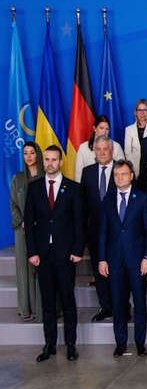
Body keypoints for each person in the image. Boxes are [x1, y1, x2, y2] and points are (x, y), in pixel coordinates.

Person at [25, 146, 84, 362]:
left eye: (54, 159)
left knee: (68, 300)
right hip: (42, 254)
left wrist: (78, 250)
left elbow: (79, 222)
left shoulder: (73, 189)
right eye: (47, 159)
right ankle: (49, 344)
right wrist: (32, 252)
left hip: (66, 253)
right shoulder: (34, 188)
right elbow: (29, 225)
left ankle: (70, 345)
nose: (50, 163)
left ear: (61, 162)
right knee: (47, 302)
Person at [98, 160, 147, 357]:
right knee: (118, 303)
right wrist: (102, 259)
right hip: (114, 261)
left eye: (123, 174)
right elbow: (103, 231)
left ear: (131, 175)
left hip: (137, 260)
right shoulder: (108, 199)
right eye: (116, 175)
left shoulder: (142, 198)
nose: (119, 178)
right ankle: (120, 342)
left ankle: (140, 343)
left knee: (139, 302)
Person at [80, 136, 116, 322]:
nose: (102, 152)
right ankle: (106, 306)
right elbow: (83, 205)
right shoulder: (87, 173)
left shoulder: (121, 169)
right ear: (94, 151)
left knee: (118, 270)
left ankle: (121, 306)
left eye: (105, 149)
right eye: (98, 149)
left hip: (117, 233)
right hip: (95, 232)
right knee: (99, 270)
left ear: (112, 150)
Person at [10, 141, 42, 322]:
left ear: (37, 155)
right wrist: (22, 222)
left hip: (41, 230)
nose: (29, 156)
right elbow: (13, 205)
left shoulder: (45, 178)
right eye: (25, 153)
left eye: (32, 152)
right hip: (22, 231)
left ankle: (41, 307)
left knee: (40, 269)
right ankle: (25, 309)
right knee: (23, 269)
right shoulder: (18, 179)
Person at [74, 115, 125, 179]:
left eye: (107, 129)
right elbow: (79, 174)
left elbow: (123, 169)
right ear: (94, 128)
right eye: (101, 128)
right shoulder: (83, 148)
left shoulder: (116, 147)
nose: (104, 132)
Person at [123, 99, 147, 182]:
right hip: (134, 171)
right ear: (136, 112)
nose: (142, 113)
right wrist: (134, 171)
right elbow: (128, 152)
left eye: (145, 110)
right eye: (139, 110)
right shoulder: (129, 129)